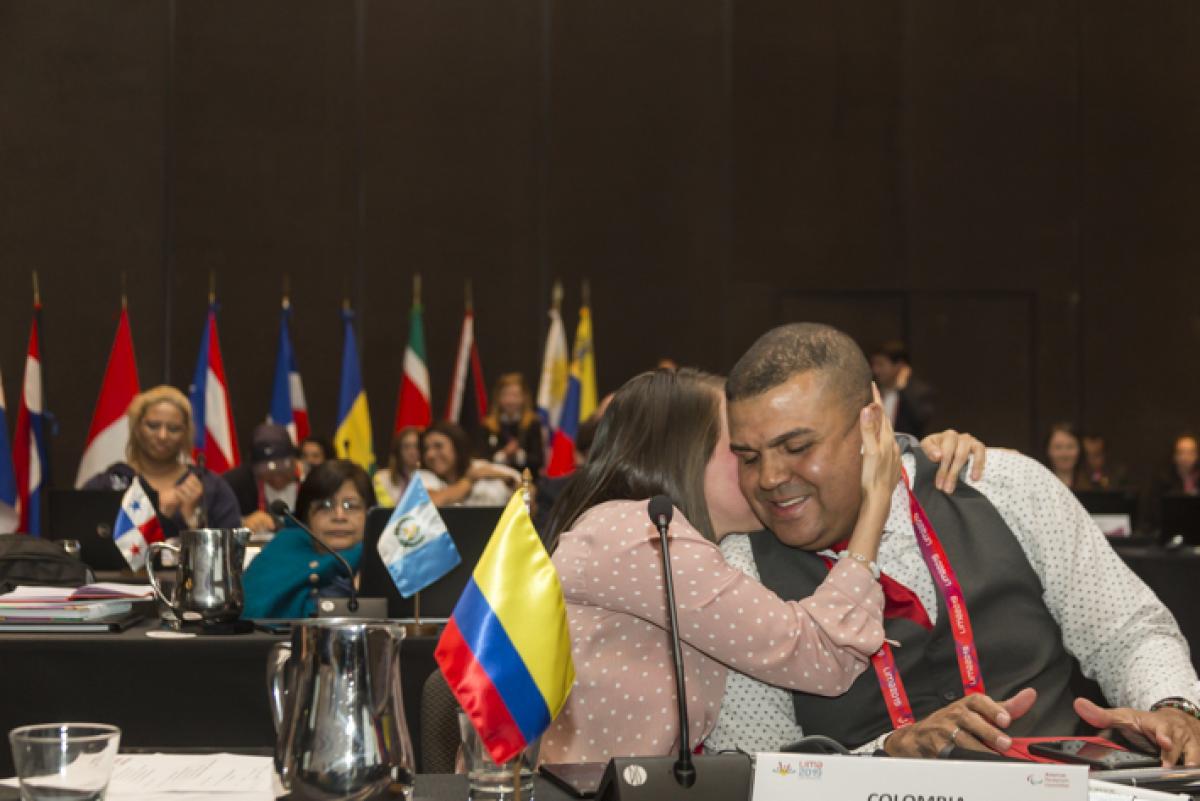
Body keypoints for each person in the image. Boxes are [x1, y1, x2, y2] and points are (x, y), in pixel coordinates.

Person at [707, 323, 1200, 767]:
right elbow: (754, 762)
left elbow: (1128, 632)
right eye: (748, 457)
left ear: (870, 424)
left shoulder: (1004, 485)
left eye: (797, 448)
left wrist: (1172, 708)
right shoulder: (741, 571)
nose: (770, 478)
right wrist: (883, 754)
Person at [540, 367, 982, 763]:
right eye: (744, 452)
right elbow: (818, 655)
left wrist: (917, 452)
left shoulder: (654, 535)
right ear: (684, 456)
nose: (770, 473)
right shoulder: (641, 534)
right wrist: (874, 505)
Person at [82, 385, 240, 535]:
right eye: (153, 426)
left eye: (173, 429)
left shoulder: (211, 487)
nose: (162, 436)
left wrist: (193, 520)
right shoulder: (107, 484)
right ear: (137, 427)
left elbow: (231, 552)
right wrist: (154, 515)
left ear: (186, 433)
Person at [242, 459, 375, 618]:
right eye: (325, 506)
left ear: (369, 514)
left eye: (351, 506)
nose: (339, 516)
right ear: (307, 516)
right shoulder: (282, 551)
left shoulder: (388, 561)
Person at [417, 421, 520, 507]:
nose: (430, 455)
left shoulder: (481, 468)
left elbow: (528, 489)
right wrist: (469, 480)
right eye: (426, 449)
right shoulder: (424, 477)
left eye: (438, 446)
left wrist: (506, 479)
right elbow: (433, 503)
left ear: (457, 446)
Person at [221, 424, 300, 532]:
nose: (276, 479)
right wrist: (243, 523)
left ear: (294, 461)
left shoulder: (312, 481)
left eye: (282, 471)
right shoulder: (236, 483)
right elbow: (218, 522)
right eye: (267, 474)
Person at [477, 373, 544, 478]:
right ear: (498, 397)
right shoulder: (488, 424)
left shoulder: (532, 424)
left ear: (524, 398)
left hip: (526, 480)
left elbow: (538, 460)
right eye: (506, 395)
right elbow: (481, 458)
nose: (510, 401)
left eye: (515, 395)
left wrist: (518, 454)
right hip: (495, 479)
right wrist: (504, 454)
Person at [869, 340, 935, 438]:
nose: (875, 370)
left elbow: (920, 423)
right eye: (874, 364)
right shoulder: (873, 390)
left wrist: (903, 388)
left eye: (881, 364)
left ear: (898, 365)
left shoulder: (919, 393)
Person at [374, 427, 421, 506]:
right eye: (406, 447)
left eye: (416, 446)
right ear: (398, 451)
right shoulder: (381, 478)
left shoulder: (429, 477)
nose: (412, 452)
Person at [1044, 422, 1084, 489]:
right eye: (1058, 447)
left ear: (1080, 449)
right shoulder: (1039, 483)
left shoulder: (1094, 485)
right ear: (1048, 450)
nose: (1064, 453)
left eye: (1070, 447)